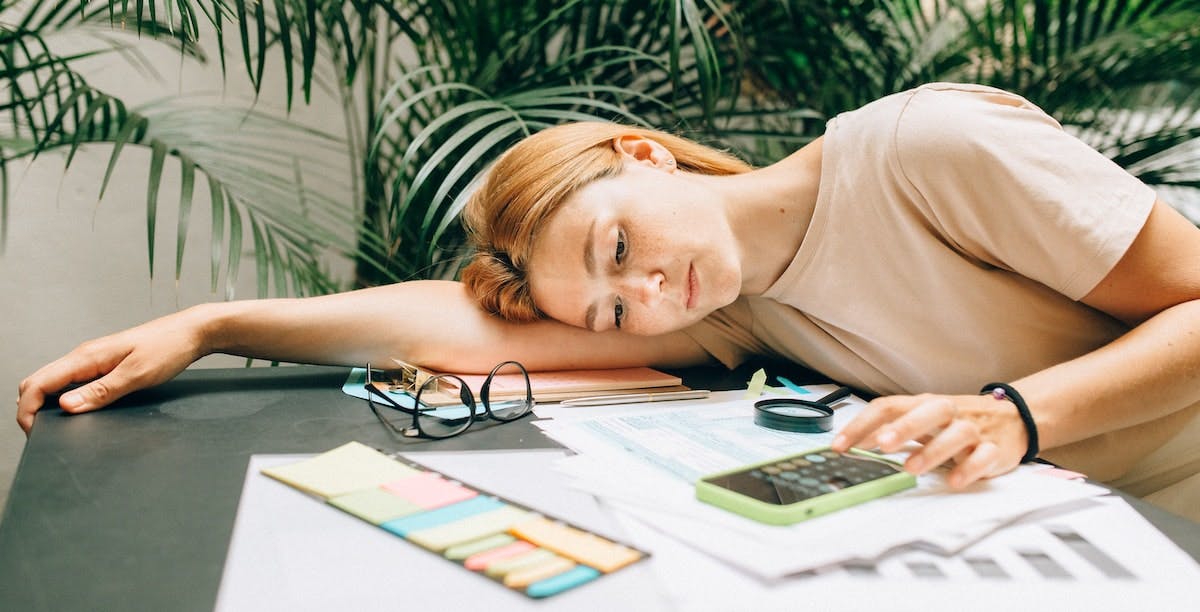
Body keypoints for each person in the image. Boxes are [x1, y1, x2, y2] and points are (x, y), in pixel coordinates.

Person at [17, 83, 1200, 520]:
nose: (644, 292)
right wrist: (216, 324)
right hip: (1083, 542)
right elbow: (444, 319)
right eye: (614, 311)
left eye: (620, 242)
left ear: (643, 153)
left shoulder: (926, 149)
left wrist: (1016, 416)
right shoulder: (740, 309)